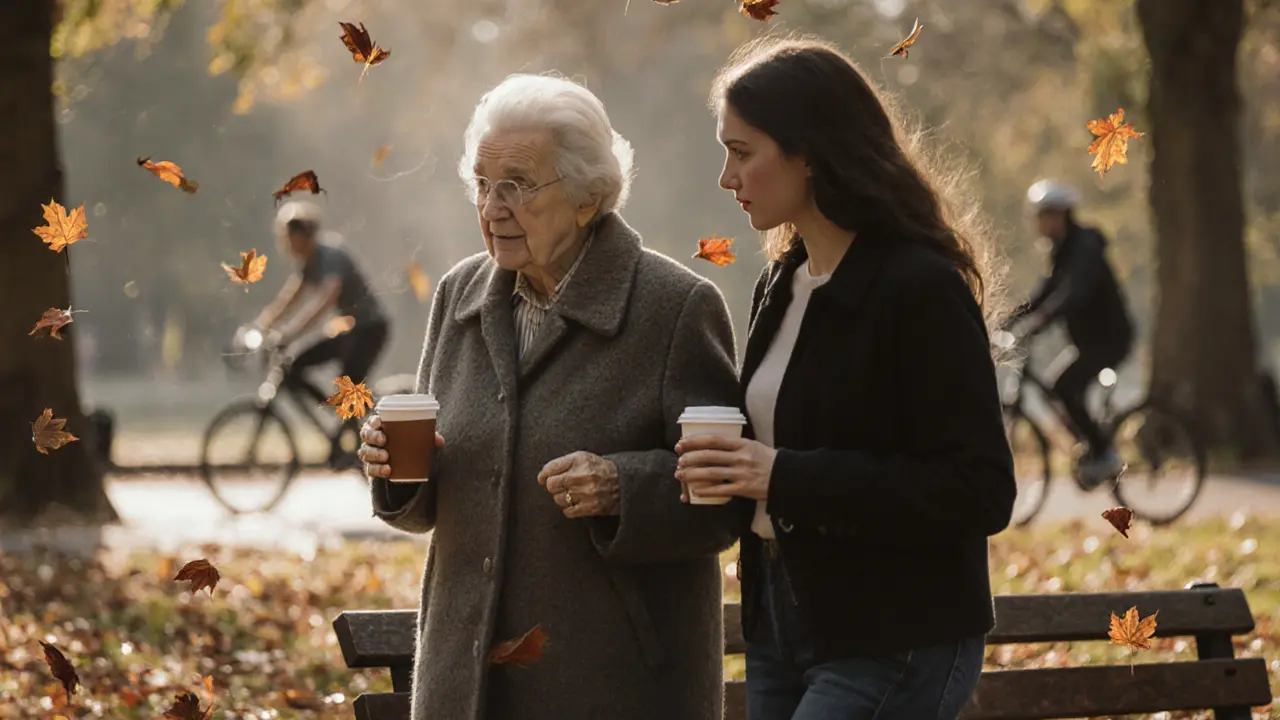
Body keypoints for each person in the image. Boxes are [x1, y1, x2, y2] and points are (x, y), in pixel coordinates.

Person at [355, 73, 741, 720]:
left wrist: (623, 485)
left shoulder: (673, 309)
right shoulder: (458, 297)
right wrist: (396, 475)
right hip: (465, 686)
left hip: (614, 686)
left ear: (589, 196)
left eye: (518, 186)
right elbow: (431, 503)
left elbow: (724, 502)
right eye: (481, 184)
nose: (492, 207)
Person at [674, 36, 1016, 720]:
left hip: (898, 632)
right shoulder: (781, 283)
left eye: (742, 152)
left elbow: (978, 490)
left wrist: (783, 475)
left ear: (807, 152)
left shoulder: (918, 288)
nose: (726, 177)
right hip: (781, 626)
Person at [1012, 179, 1134, 486]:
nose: (1037, 224)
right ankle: (1092, 448)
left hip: (1110, 339)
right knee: (1059, 389)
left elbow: (1074, 293)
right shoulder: (1063, 251)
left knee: (1065, 388)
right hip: (1089, 342)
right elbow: (1046, 292)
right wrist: (1011, 318)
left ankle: (1105, 454)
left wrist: (1042, 320)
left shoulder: (1085, 249)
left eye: (1042, 216)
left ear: (1059, 215)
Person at [247, 201, 390, 439]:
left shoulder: (331, 257)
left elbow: (324, 300)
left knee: (349, 385)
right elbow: (290, 297)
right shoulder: (310, 262)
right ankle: (339, 420)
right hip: (352, 329)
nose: (285, 244)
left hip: (370, 329)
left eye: (288, 237)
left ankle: (356, 431)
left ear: (302, 236)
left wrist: (289, 333)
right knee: (295, 366)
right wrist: (261, 324)